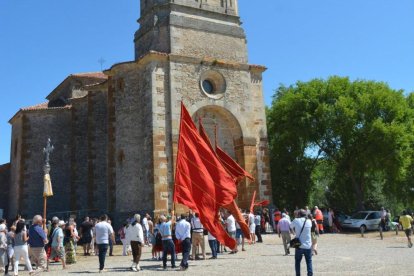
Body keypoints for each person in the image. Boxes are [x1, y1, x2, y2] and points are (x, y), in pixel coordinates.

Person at [291, 209, 313, 276]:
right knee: (309, 261)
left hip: (299, 245)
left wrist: (294, 232)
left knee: (297, 261)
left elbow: (290, 226)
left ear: (299, 214)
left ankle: (298, 274)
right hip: (308, 245)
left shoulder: (296, 220)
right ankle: (310, 274)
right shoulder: (309, 221)